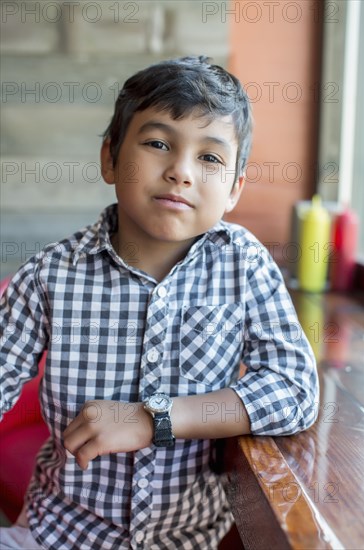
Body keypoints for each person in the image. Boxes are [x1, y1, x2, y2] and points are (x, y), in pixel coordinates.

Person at [0, 56, 319, 550]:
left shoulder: (243, 265)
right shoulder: (49, 276)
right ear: (109, 158)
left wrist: (154, 419)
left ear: (234, 189)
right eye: (157, 144)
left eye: (209, 157)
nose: (180, 172)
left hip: (188, 540)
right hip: (58, 533)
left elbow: (295, 390)